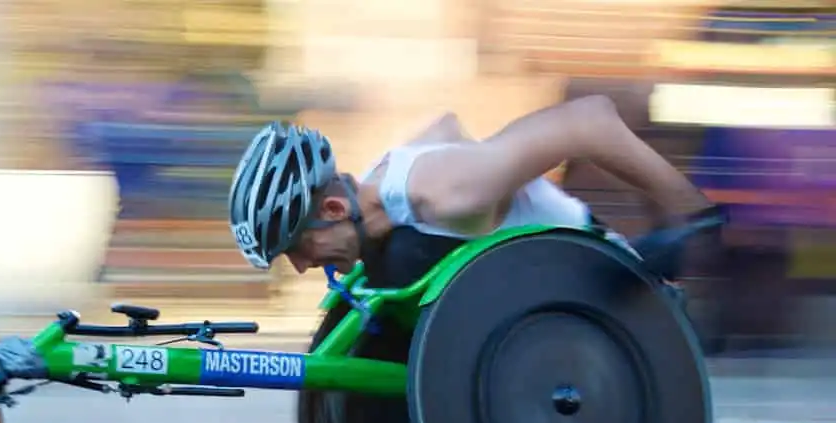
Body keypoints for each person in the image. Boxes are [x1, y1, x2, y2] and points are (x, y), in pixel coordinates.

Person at [225, 96, 715, 286]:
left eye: (296, 246)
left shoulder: (448, 194)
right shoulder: (387, 180)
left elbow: (589, 122)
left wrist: (690, 217)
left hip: (594, 289)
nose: (303, 265)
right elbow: (447, 125)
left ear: (333, 208)